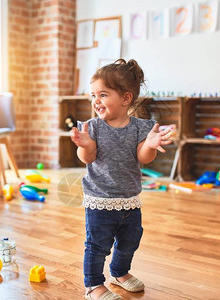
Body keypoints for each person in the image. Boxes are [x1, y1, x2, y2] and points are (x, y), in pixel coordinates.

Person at [71, 59, 173, 300]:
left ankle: (120, 273)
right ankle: (93, 285)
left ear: (126, 99)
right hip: (100, 200)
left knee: (130, 240)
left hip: (129, 199)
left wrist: (149, 144)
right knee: (97, 246)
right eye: (93, 95)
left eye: (103, 95)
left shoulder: (140, 127)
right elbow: (89, 157)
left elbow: (143, 158)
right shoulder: (92, 128)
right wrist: (84, 146)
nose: (96, 101)